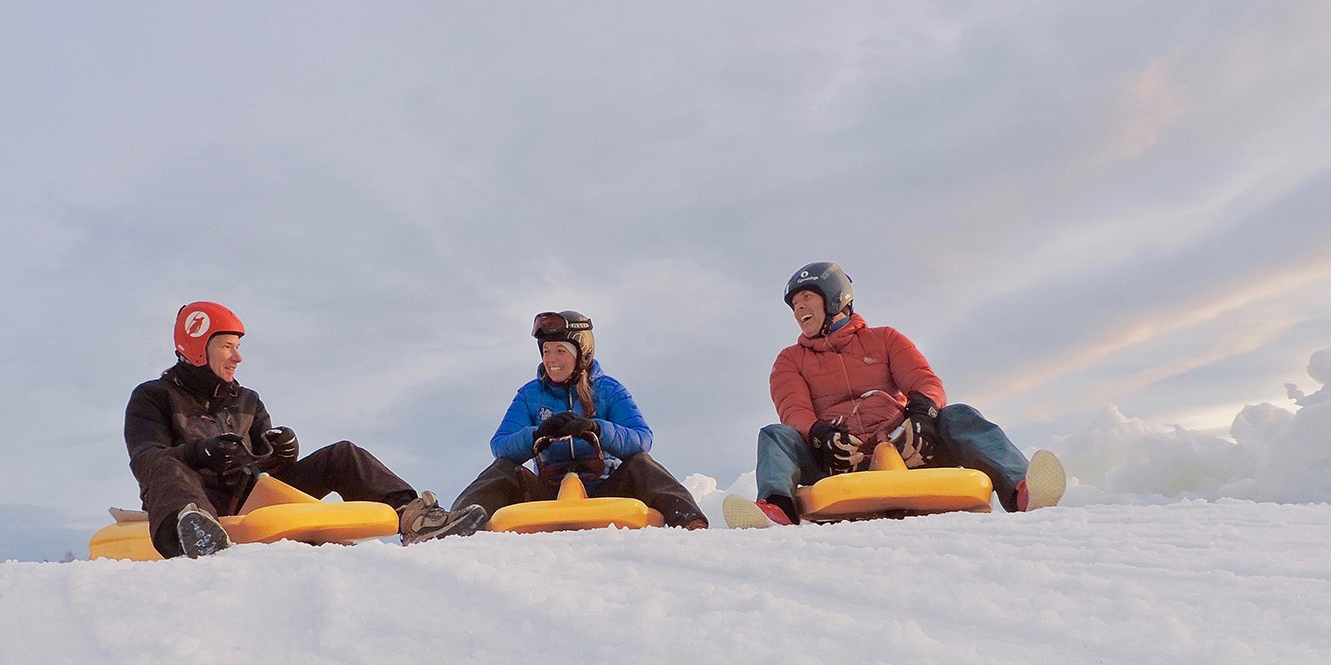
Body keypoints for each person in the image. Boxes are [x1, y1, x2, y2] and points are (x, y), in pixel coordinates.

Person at [124, 301, 486, 558]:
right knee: (162, 462)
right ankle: (196, 533)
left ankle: (417, 518)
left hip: (249, 494)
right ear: (198, 348)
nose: (238, 357)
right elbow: (146, 460)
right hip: (193, 498)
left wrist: (281, 452)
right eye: (228, 347)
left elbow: (271, 468)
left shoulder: (246, 399)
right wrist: (199, 453)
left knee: (343, 453)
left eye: (239, 347)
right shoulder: (152, 398)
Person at [724, 262, 1066, 528]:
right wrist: (821, 436)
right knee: (775, 435)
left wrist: (922, 418)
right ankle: (776, 509)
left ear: (834, 298)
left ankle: (1022, 490)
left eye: (807, 299)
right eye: (795, 305)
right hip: (837, 458)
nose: (799, 310)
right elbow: (793, 409)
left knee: (960, 415)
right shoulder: (789, 360)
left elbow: (924, 381)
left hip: (906, 447)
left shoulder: (885, 339)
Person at [450, 310, 708, 530]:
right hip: (548, 492)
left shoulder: (609, 390)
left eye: (560, 351)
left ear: (581, 353)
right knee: (504, 470)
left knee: (640, 464)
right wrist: (536, 434)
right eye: (547, 351)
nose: (551, 359)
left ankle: (689, 520)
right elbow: (500, 445)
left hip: (605, 487)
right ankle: (455, 522)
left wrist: (598, 429)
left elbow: (642, 438)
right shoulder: (529, 395)